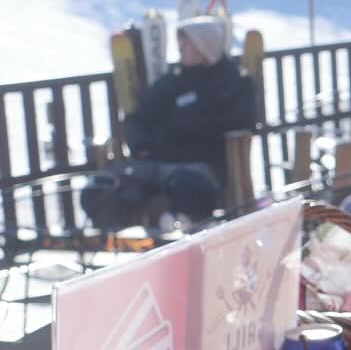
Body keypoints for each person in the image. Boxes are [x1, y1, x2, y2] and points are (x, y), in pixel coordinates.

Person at [81, 16, 256, 231]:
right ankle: (120, 239)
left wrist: (187, 125)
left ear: (203, 47)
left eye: (186, 43)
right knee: (99, 188)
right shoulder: (172, 81)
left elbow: (242, 122)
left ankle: (177, 233)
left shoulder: (233, 82)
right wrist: (142, 145)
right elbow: (137, 119)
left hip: (200, 165)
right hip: (153, 162)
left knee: (188, 188)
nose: (180, 47)